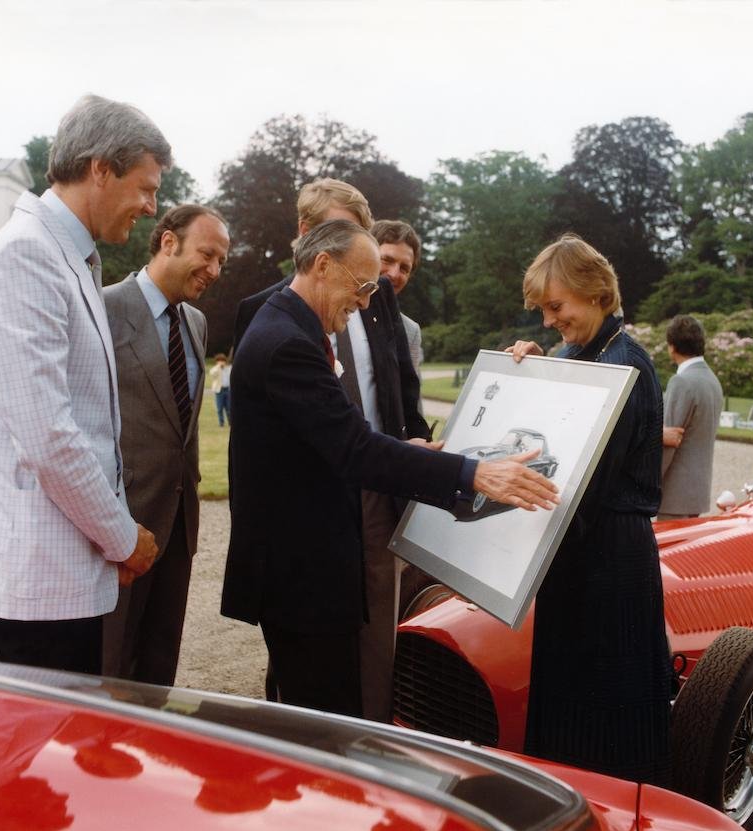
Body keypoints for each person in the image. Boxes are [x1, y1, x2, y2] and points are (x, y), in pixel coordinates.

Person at [221, 219, 559, 719]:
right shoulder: (289, 343)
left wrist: (414, 451)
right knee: (325, 720)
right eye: (361, 286)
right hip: (303, 576)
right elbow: (355, 450)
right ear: (322, 265)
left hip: (307, 567)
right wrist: (474, 474)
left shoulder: (289, 325)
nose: (365, 303)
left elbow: (335, 439)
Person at [0, 94, 166, 675]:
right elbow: (48, 436)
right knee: (50, 730)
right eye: (145, 188)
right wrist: (122, 538)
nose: (151, 207)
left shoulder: (63, 253)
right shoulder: (27, 257)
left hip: (59, 563)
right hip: (38, 574)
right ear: (100, 169)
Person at [233, 179, 429, 721]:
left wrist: (415, 449)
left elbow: (402, 389)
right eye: (345, 232)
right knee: (312, 648)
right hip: (313, 504)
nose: (372, 287)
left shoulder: (375, 297)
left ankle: (372, 734)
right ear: (311, 239)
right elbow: (264, 434)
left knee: (372, 634)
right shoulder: (270, 316)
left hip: (378, 483)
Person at [507, 234, 671, 785]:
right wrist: (531, 372)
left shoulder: (627, 365)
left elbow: (584, 480)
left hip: (610, 554)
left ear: (596, 293)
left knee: (606, 706)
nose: (548, 320)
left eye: (556, 306)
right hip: (576, 545)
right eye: (542, 310)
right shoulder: (577, 355)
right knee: (570, 695)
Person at [101, 204, 230, 685]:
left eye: (222, 261)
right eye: (207, 254)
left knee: (159, 671)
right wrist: (108, 522)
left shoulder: (195, 321)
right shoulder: (103, 307)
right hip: (121, 523)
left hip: (178, 527)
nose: (214, 270)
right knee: (110, 667)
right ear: (168, 242)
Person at [658, 315, 723, 519]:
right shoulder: (713, 380)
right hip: (698, 492)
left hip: (674, 495)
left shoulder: (681, 382)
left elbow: (670, 440)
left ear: (672, 347)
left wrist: (649, 482)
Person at [371, 219, 424, 370]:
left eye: (404, 268)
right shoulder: (336, 313)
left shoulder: (410, 332)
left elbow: (410, 384)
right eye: (387, 260)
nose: (394, 274)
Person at [209, 354, 231, 427]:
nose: (221, 362)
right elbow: (212, 373)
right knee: (219, 408)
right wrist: (218, 367)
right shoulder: (215, 369)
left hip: (228, 390)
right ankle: (221, 423)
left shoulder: (229, 368)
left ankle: (230, 422)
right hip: (219, 390)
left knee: (229, 408)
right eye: (219, 361)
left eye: (222, 360)